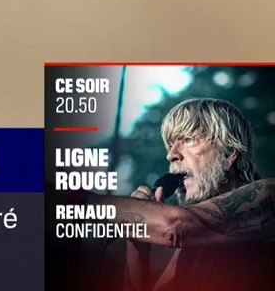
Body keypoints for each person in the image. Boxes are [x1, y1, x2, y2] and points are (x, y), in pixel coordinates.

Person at [90, 98, 274, 290]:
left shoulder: (268, 195)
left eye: (189, 139)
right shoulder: (195, 241)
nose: (171, 154)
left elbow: (175, 227)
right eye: (171, 144)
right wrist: (137, 246)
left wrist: (83, 201)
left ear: (229, 153)